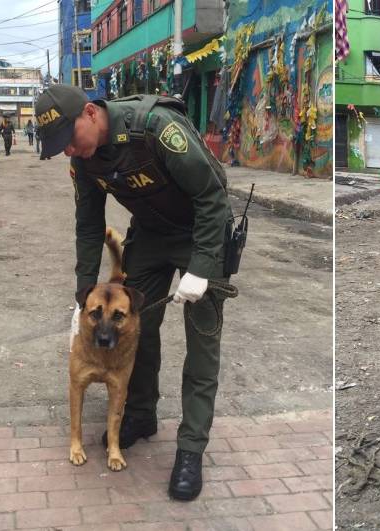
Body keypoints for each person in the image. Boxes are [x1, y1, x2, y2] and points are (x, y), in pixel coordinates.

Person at [34, 84, 233, 501]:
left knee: (202, 343)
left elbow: (213, 194)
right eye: (59, 148)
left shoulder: (155, 128)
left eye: (69, 140)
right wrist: (81, 294)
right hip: (151, 236)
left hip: (203, 232)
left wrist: (200, 269)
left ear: (90, 113)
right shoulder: (85, 164)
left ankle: (191, 449)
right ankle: (141, 414)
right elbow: (89, 226)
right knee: (133, 332)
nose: (68, 151)